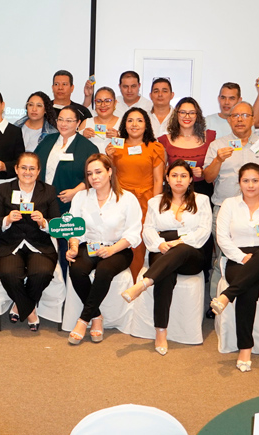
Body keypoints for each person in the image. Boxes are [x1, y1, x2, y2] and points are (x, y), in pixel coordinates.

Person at [121, 160, 211, 355]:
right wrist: (159, 244)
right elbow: (148, 229)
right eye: (174, 175)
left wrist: (180, 242)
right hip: (162, 249)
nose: (179, 180)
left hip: (191, 253)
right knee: (165, 273)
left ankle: (144, 283)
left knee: (182, 249)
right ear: (167, 179)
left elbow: (204, 231)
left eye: (183, 176)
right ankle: (160, 331)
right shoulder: (155, 201)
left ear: (190, 179)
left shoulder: (202, 200)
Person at [209, 163, 259, 370]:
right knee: (248, 286)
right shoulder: (229, 204)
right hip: (238, 259)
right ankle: (245, 348)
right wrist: (243, 258)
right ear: (239, 183)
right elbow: (222, 239)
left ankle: (226, 296)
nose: (250, 185)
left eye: (255, 180)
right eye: (246, 181)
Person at [66, 154, 142, 345]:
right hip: (90, 245)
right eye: (89, 173)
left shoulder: (127, 199)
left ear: (109, 172)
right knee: (76, 269)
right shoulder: (81, 197)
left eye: (98, 172)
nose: (94, 177)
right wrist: (73, 247)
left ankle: (83, 320)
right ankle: (96, 316)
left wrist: (112, 249)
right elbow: (74, 228)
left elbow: (133, 234)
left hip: (119, 248)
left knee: (104, 271)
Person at [0, 152, 60, 330]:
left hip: (39, 244)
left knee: (42, 273)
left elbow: (57, 223)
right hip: (9, 244)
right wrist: (7, 219)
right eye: (23, 168)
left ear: (38, 171)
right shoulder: (5, 188)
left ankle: (19, 305)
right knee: (9, 274)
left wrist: (43, 222)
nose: (27, 172)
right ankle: (29, 310)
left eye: (32, 168)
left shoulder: (48, 190)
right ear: (16, 169)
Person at [34, 106, 99, 273]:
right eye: (60, 119)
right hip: (43, 202)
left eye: (69, 120)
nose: (63, 124)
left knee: (65, 246)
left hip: (69, 204)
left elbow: (92, 177)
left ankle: (65, 283)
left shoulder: (87, 147)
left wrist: (75, 191)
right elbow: (35, 164)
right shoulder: (48, 140)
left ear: (78, 123)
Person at [104, 107, 165, 278]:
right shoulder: (116, 145)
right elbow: (110, 175)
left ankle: (135, 281)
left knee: (138, 242)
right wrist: (108, 157)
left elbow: (158, 180)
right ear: (124, 124)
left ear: (146, 125)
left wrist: (155, 206)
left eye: (139, 120)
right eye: (130, 120)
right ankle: (118, 279)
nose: (134, 124)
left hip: (146, 200)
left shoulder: (155, 147)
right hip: (121, 200)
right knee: (118, 237)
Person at [158, 97, 216, 199]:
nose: (187, 116)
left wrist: (203, 173)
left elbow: (215, 170)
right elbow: (160, 174)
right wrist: (168, 171)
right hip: (174, 192)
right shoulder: (165, 140)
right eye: (183, 112)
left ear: (197, 115)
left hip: (203, 191)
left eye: (192, 113)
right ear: (176, 114)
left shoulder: (209, 137)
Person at [83, 70, 153, 117]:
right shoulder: (112, 103)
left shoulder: (149, 106)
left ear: (139, 86)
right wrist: (88, 96)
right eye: (125, 86)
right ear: (119, 86)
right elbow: (89, 116)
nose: (129, 90)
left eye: (133, 86)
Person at [82, 86, 122, 152]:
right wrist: (82, 137)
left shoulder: (123, 124)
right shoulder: (86, 123)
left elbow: (129, 148)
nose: (103, 105)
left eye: (107, 101)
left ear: (115, 103)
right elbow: (76, 148)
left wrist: (118, 138)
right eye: (98, 101)